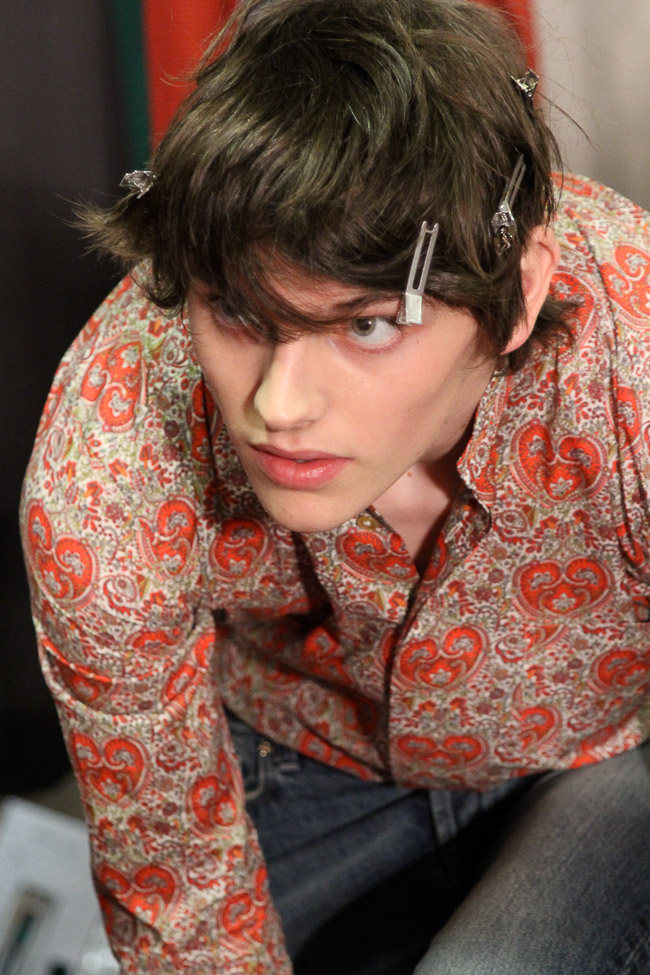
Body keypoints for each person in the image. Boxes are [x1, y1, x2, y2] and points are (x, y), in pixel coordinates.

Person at [20, 0, 650, 972]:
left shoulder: (634, 367)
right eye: (237, 311)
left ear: (520, 293)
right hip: (301, 755)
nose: (278, 405)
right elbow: (180, 892)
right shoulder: (106, 468)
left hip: (595, 757)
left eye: (367, 325)